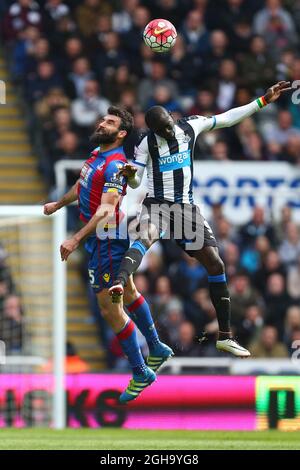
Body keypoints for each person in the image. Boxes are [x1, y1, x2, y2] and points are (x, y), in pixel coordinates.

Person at [109, 81, 291, 358]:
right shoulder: (146, 143)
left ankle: (225, 336)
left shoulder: (189, 126)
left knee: (216, 263)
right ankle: (120, 282)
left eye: (169, 124)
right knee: (145, 237)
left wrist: (262, 101)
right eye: (163, 130)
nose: (169, 131)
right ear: (155, 131)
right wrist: (129, 175)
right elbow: (135, 180)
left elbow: (227, 118)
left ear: (172, 118)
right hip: (159, 204)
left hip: (185, 210)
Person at [44, 106, 172, 404]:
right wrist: (58, 204)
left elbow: (105, 210)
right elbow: (81, 186)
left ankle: (140, 370)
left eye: (110, 122)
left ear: (122, 133)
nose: (102, 123)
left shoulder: (116, 165)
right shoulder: (95, 155)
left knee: (109, 308)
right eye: (103, 119)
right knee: (127, 291)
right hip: (103, 240)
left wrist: (75, 239)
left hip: (106, 240)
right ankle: (156, 346)